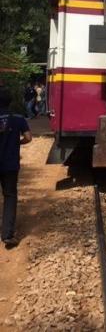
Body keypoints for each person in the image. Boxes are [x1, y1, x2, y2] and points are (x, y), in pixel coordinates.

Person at [0, 87, 32, 248]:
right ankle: (7, 235)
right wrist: (16, 142)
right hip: (10, 164)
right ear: (10, 101)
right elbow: (28, 137)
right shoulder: (18, 118)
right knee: (10, 196)